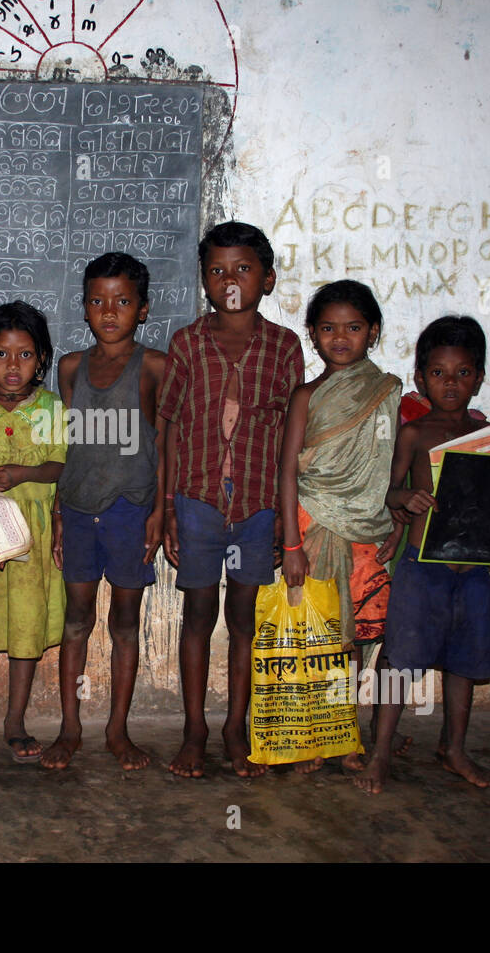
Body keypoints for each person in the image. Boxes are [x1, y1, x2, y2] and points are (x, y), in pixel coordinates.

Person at [353, 317, 490, 793]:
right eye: (438, 373)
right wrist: (405, 500)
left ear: (480, 376)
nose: (450, 383)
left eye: (463, 373)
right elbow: (388, 493)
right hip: (420, 568)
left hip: (471, 571)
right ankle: (382, 751)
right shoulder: (415, 434)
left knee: (464, 661)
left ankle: (454, 748)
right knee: (399, 658)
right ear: (420, 378)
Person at [159, 221, 305, 778]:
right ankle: (194, 729)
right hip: (197, 505)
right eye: (217, 270)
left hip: (257, 509)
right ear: (203, 279)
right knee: (198, 615)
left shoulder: (284, 347)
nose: (230, 280)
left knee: (243, 618)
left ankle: (234, 727)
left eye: (242, 268)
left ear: (266, 279)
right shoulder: (187, 343)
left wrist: (283, 523)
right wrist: (170, 507)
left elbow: (293, 439)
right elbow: (169, 426)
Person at [41, 253, 168, 771]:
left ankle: (117, 728)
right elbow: (71, 443)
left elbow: (166, 443)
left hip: (129, 511)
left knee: (123, 622)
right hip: (76, 508)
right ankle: (70, 727)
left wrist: (159, 512)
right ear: (84, 308)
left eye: (121, 302)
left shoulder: (155, 366)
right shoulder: (70, 366)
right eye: (97, 301)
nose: (108, 311)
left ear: (141, 309)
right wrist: (55, 513)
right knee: (76, 619)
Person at [278, 280, 402, 774]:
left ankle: (342, 731)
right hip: (311, 525)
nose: (341, 338)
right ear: (312, 334)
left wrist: (393, 517)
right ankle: (309, 735)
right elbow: (287, 470)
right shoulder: (306, 395)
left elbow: (390, 465)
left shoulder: (386, 393)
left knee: (353, 641)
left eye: (353, 328)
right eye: (328, 328)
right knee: (314, 635)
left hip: (365, 531)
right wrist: (290, 542)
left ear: (372, 332)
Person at [0, 302, 66, 765]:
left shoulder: (52, 408)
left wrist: (22, 472)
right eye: (1, 354)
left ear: (42, 358)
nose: (13, 365)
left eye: (25, 355)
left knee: (27, 627)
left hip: (34, 537)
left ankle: (15, 720)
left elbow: (62, 464)